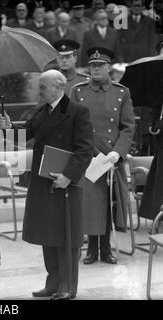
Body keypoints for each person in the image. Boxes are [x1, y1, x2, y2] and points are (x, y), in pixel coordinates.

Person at [0, 70, 94, 300]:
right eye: (39, 86)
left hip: (65, 184)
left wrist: (68, 176)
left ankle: (67, 286)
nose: (39, 90)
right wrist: (8, 127)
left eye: (43, 86)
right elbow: (26, 134)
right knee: (48, 235)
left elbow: (85, 150)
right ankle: (52, 283)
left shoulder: (77, 111)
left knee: (66, 237)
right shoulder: (41, 111)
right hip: (43, 181)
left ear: (58, 87)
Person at [70, 47, 135, 265]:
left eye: (100, 65)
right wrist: (87, 151)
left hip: (112, 159)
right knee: (90, 204)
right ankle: (92, 250)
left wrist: (118, 152)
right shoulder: (78, 91)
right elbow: (74, 125)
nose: (96, 69)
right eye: (92, 65)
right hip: (88, 158)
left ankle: (106, 249)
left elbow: (128, 127)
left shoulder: (121, 92)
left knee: (110, 204)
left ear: (108, 67)